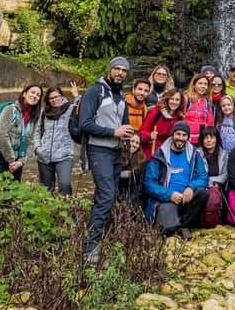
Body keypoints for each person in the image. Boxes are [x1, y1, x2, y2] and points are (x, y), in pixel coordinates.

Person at [79, 57, 137, 261]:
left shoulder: (120, 96)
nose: (120, 73)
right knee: (107, 195)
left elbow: (125, 124)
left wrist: (132, 135)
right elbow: (84, 123)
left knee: (106, 196)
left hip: (114, 152)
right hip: (97, 150)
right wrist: (114, 132)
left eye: (124, 70)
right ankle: (90, 247)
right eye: (117, 69)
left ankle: (95, 234)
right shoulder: (95, 92)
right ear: (109, 70)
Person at [143, 121, 210, 239]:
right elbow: (149, 184)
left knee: (203, 193)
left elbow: (203, 176)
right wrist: (169, 194)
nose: (181, 138)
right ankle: (181, 224)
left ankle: (183, 225)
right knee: (166, 230)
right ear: (172, 135)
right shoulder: (159, 155)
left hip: (186, 197)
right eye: (178, 134)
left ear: (188, 137)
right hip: (167, 199)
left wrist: (191, 187)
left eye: (184, 135)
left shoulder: (194, 154)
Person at [0, 84, 42, 190]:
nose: (35, 96)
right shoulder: (10, 110)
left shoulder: (33, 118)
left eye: (38, 95)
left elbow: (30, 140)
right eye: (32, 92)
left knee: (12, 192)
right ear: (24, 94)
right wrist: (11, 160)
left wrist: (21, 161)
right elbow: (1, 135)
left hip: (17, 159)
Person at [33, 83, 78, 195]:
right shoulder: (44, 113)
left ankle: (66, 209)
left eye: (56, 96)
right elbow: (37, 131)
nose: (54, 100)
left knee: (65, 185)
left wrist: (77, 96)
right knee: (45, 189)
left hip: (64, 155)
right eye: (51, 98)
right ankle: (47, 211)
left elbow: (81, 110)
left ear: (61, 96)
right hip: (44, 156)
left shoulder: (70, 109)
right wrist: (37, 147)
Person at [197, 126, 229, 228]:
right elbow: (196, 174)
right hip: (201, 186)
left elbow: (225, 174)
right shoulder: (196, 154)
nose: (209, 140)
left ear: (217, 139)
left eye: (212, 137)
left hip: (220, 186)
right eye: (205, 138)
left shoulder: (224, 154)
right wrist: (209, 182)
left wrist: (216, 181)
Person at [140, 88, 184, 156]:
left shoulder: (179, 118)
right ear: (167, 99)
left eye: (177, 100)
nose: (174, 102)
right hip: (152, 151)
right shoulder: (156, 112)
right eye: (172, 99)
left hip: (168, 153)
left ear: (181, 102)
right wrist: (150, 135)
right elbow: (142, 132)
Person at [184, 72, 216, 145]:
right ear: (194, 85)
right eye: (200, 83)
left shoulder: (207, 102)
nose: (203, 86)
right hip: (186, 139)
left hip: (200, 140)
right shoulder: (186, 99)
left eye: (205, 84)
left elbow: (210, 123)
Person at [118, 134, 148, 208]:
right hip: (119, 193)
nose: (134, 144)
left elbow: (141, 184)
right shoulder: (119, 156)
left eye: (137, 143)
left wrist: (131, 200)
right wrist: (122, 174)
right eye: (132, 141)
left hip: (134, 195)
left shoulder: (142, 160)